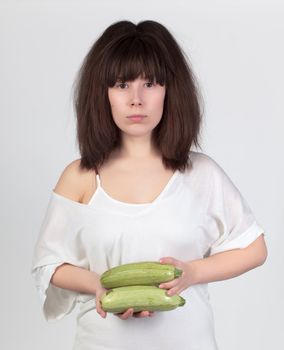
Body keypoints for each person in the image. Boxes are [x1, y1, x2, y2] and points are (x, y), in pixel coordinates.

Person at [31, 19, 268, 350]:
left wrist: (192, 273)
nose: (136, 99)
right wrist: (98, 284)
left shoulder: (202, 174)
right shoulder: (80, 177)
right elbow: (49, 265)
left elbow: (254, 248)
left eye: (151, 84)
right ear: (101, 94)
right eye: (121, 84)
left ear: (171, 91)